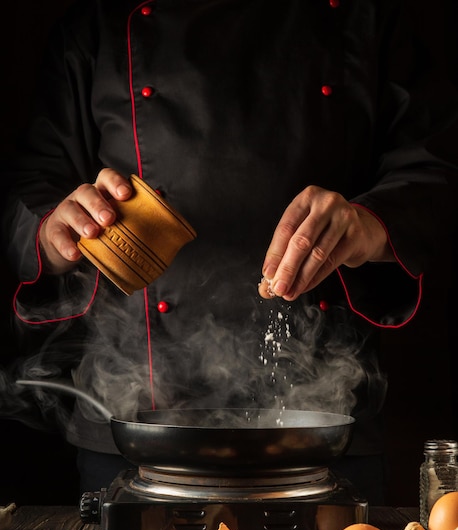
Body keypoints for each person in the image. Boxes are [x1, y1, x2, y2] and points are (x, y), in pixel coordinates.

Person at [2, 0, 458, 504]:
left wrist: (367, 225)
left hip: (326, 429)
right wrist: (57, 230)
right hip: (136, 425)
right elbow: (30, 189)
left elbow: (437, 173)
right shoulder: (98, 22)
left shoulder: (366, 16)